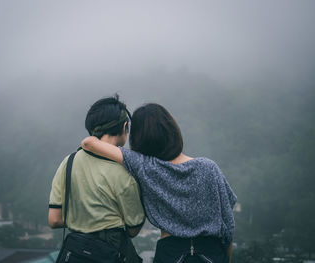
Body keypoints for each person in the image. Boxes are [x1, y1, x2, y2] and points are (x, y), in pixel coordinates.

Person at [82, 103, 237, 263]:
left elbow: (88, 143)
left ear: (138, 137)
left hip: (170, 253)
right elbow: (228, 225)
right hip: (212, 252)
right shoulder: (208, 167)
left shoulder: (143, 166)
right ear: (172, 130)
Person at [48, 95, 145, 262]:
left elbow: (54, 219)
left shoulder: (68, 162)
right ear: (124, 127)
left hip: (76, 250)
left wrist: (83, 220)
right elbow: (133, 229)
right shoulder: (124, 170)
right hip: (112, 249)